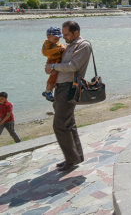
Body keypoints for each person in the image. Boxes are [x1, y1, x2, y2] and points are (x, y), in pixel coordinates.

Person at [44, 20, 91, 171]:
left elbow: (73, 66)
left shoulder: (83, 45)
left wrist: (53, 66)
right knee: (69, 123)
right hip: (61, 87)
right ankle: (76, 157)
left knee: (59, 125)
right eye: (63, 35)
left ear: (76, 32)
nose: (63, 37)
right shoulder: (69, 45)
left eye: (66, 34)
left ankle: (70, 160)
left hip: (69, 88)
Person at [41, 26, 66, 102]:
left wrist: (63, 48)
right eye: (55, 38)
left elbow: (62, 46)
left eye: (58, 39)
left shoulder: (57, 43)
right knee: (53, 76)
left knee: (55, 77)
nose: (57, 40)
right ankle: (48, 91)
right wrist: (57, 50)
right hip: (51, 61)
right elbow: (45, 53)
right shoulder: (47, 44)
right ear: (48, 36)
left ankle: (49, 90)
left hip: (58, 61)